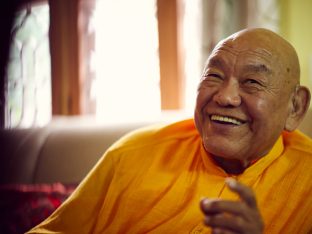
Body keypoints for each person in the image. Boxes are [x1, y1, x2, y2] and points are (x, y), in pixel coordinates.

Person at [27, 28, 312, 234]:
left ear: (295, 108)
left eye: (252, 81)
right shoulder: (132, 155)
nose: (225, 97)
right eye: (214, 75)